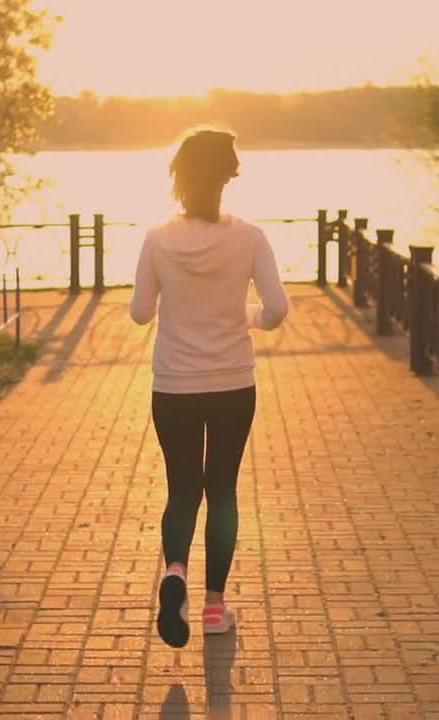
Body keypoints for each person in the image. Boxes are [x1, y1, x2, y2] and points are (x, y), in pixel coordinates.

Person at [129, 127, 290, 648]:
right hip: (231, 384)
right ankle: (216, 607)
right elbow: (278, 309)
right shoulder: (250, 237)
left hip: (173, 383)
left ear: (178, 178)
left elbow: (139, 314)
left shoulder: (156, 238)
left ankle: (174, 572)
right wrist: (246, 315)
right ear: (229, 177)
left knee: (182, 488)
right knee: (221, 489)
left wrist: (174, 306)